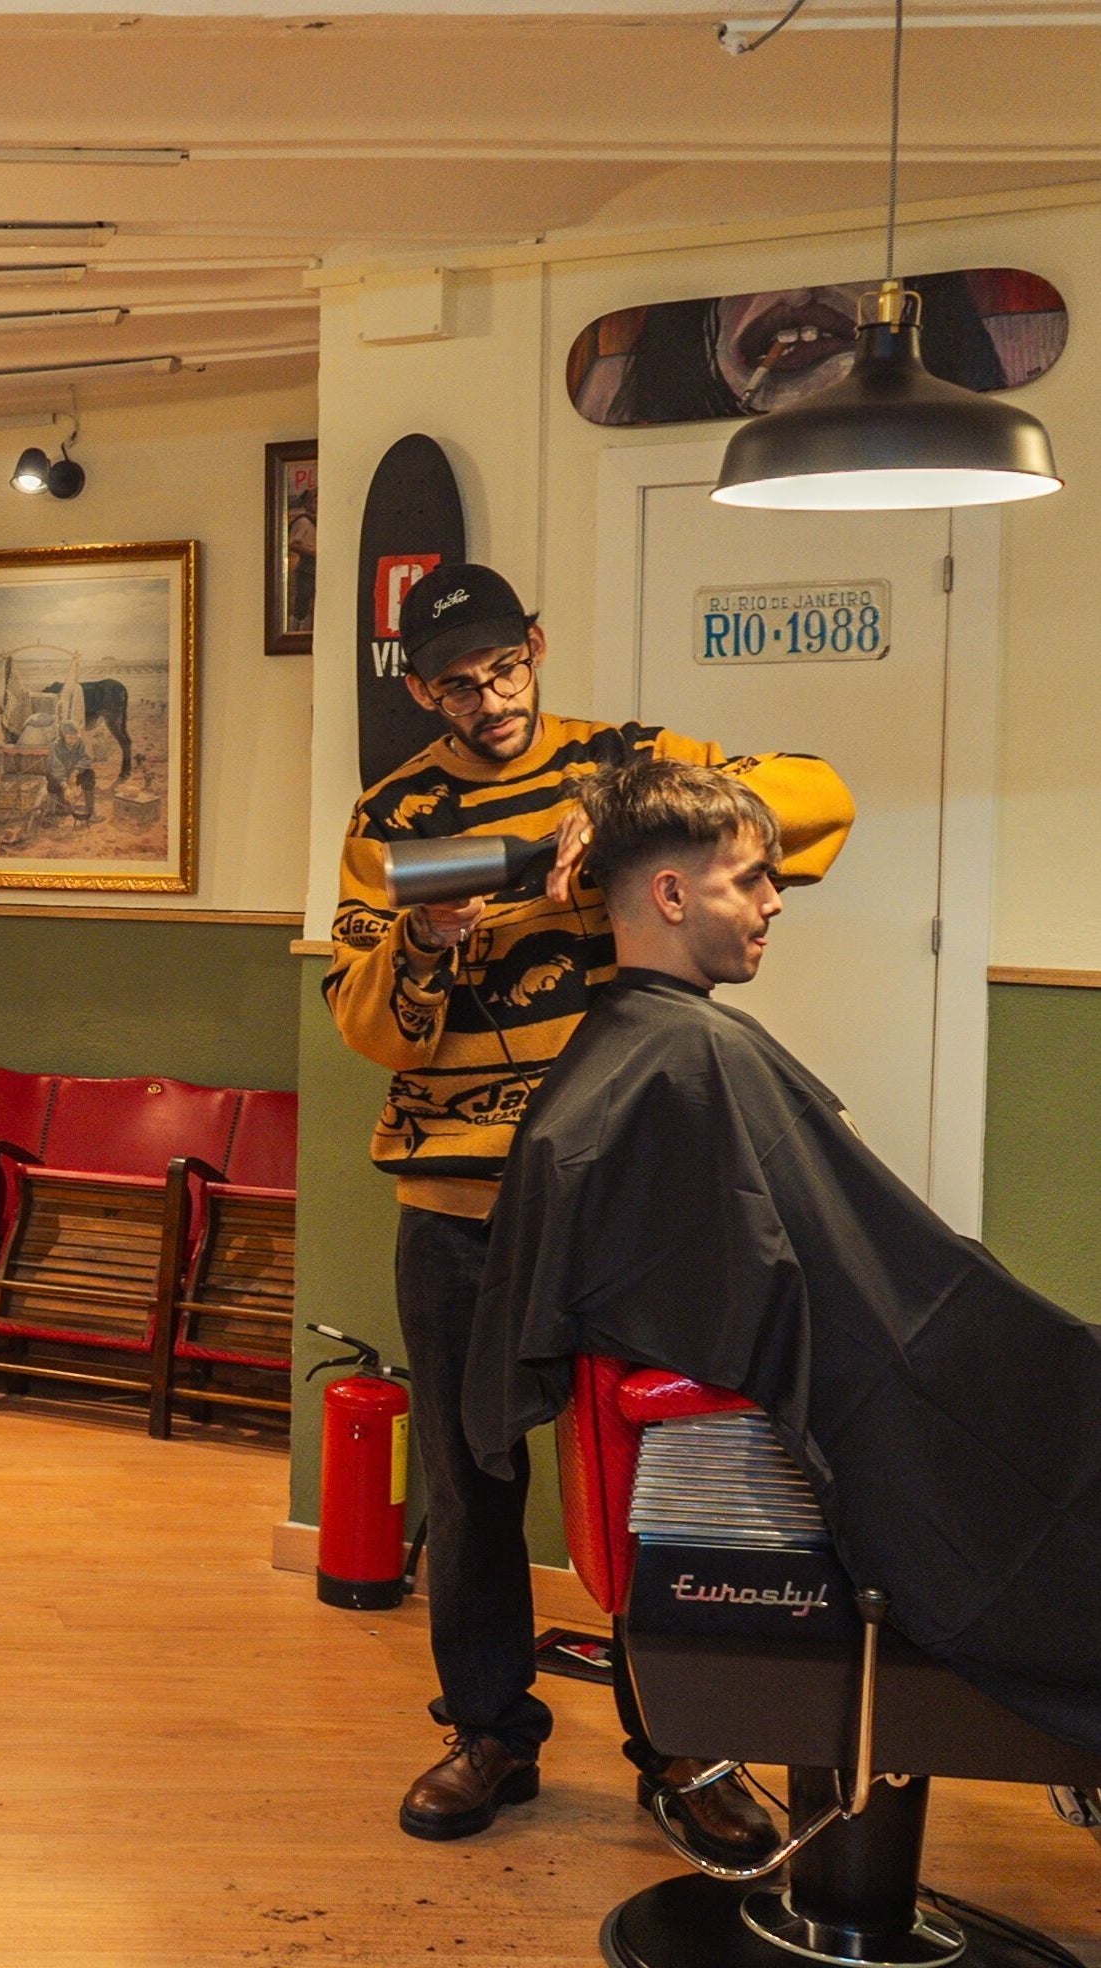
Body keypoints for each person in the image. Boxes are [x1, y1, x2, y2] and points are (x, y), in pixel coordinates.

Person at [323, 561, 855, 1850]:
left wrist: (622, 822)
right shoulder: (392, 814)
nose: (491, 697)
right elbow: (365, 1025)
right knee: (469, 1477)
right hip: (459, 1199)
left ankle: (682, 1749)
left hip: (625, 1190)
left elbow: (820, 801)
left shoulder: (628, 757)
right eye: (458, 681)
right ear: (418, 687)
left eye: (508, 667)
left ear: (537, 648)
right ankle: (492, 1732)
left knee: (656, 1479)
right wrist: (432, 939)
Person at [470, 760, 1101, 1754]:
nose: (775, 902)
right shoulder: (687, 1059)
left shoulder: (649, 1057)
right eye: (751, 879)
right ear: (671, 895)